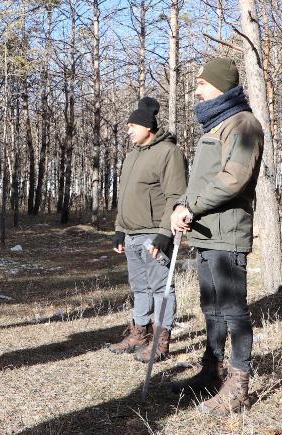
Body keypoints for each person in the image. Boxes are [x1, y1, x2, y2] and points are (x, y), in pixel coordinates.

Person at [170, 58, 263, 415]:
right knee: (210, 307)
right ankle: (212, 372)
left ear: (221, 85)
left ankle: (238, 387)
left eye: (202, 83)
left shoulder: (244, 124)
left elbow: (233, 178)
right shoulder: (217, 125)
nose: (197, 89)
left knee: (233, 310)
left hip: (227, 234)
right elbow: (202, 179)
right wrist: (182, 204)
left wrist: (190, 206)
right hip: (206, 233)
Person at [109, 97, 187, 363]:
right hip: (131, 235)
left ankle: (161, 340)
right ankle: (139, 332)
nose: (128, 130)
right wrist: (120, 228)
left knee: (161, 288)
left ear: (147, 126)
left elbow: (176, 196)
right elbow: (126, 196)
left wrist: (165, 232)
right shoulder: (132, 156)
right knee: (139, 287)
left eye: (133, 125)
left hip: (154, 234)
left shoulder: (168, 152)